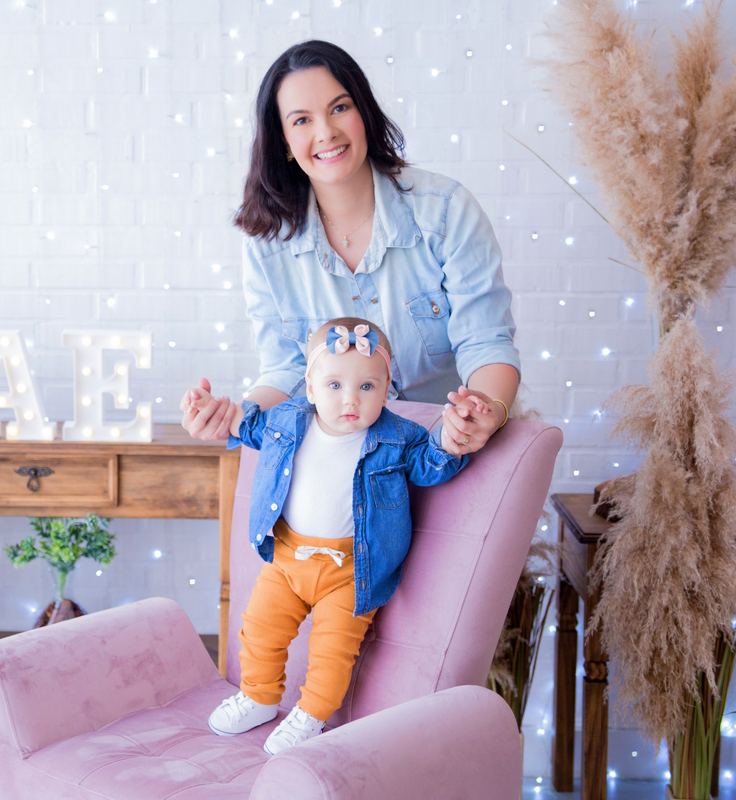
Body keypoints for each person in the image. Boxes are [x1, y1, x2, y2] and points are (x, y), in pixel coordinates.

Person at [183, 40, 519, 454]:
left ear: (364, 113)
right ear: (284, 142)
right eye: (302, 120)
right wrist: (237, 417)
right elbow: (288, 371)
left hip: (447, 449)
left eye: (340, 108)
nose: (326, 133)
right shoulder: (267, 243)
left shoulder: (445, 211)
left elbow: (485, 341)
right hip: (337, 464)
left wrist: (483, 409)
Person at [185, 317, 483, 755]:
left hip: (352, 572)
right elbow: (244, 426)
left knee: (332, 653)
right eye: (335, 385)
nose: (350, 399)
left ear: (387, 391)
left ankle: (311, 716)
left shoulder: (397, 437)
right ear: (309, 387)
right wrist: (216, 410)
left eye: (367, 387)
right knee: (259, 631)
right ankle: (259, 696)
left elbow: (429, 461)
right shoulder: (287, 422)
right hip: (287, 559)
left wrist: (452, 440)